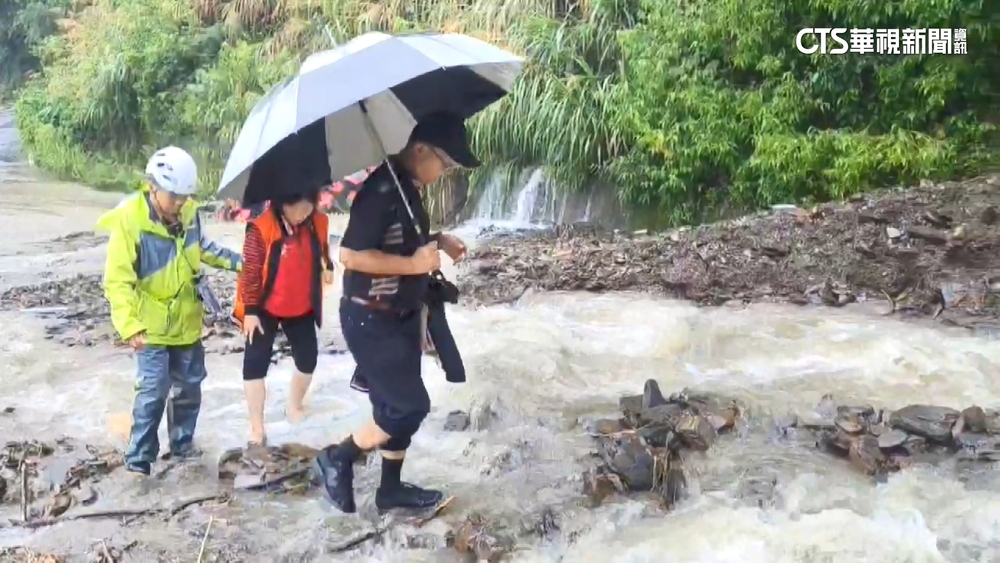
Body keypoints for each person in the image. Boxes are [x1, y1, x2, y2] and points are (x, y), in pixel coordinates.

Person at [311, 112, 472, 514]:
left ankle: (390, 490)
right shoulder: (381, 190)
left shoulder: (407, 188)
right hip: (372, 318)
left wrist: (438, 240)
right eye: (445, 161)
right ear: (420, 150)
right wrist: (415, 266)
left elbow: (402, 244)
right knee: (408, 407)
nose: (446, 170)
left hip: (400, 314)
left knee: (391, 407)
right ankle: (339, 456)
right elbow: (349, 254)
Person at [98, 146, 243, 476]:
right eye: (174, 196)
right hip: (149, 326)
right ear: (153, 188)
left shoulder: (190, 212)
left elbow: (204, 248)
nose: (180, 203)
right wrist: (129, 325)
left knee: (190, 387)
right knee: (153, 392)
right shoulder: (130, 220)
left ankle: (182, 447)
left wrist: (241, 264)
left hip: (187, 320)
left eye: (185, 196)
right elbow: (117, 280)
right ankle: (139, 462)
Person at [232, 189, 335, 446]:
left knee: (308, 360)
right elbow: (251, 272)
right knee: (255, 364)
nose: (302, 215)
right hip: (263, 307)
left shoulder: (319, 221)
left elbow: (322, 250)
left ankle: (295, 405)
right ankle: (257, 426)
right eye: (296, 209)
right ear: (280, 204)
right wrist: (251, 312)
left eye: (307, 208)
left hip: (300, 305)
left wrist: (328, 267)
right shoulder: (261, 226)